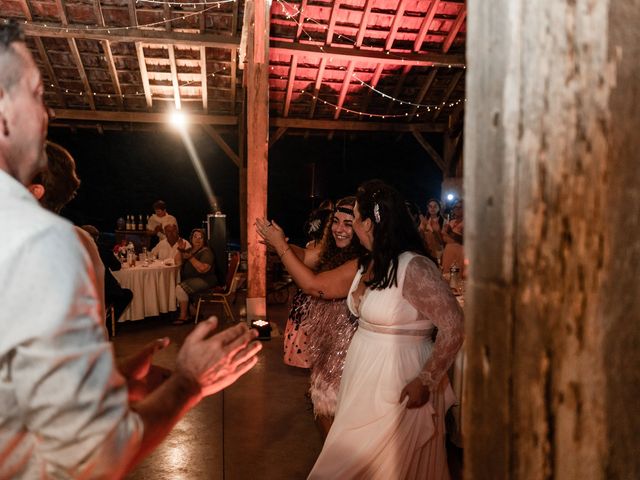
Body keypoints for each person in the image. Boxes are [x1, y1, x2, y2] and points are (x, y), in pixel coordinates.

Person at [0, 21, 261, 478]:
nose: (48, 116)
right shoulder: (45, 244)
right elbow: (96, 454)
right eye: (37, 96)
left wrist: (108, 376)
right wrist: (187, 383)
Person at [286, 180, 464, 479]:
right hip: (363, 377)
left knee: (383, 466)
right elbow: (317, 285)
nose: (350, 224)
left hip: (399, 380)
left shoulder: (414, 266)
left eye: (354, 217)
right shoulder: (371, 262)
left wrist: (426, 380)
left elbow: (454, 326)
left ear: (368, 223)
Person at [257, 197, 365, 436]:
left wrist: (280, 247)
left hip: (349, 350)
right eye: (335, 221)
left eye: (348, 224)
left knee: (334, 411)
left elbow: (313, 286)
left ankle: (338, 466)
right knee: (324, 409)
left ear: (362, 227)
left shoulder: (362, 262)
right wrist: (279, 242)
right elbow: (305, 256)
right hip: (328, 346)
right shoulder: (331, 252)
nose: (339, 229)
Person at [281, 202, 335, 369]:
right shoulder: (316, 248)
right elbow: (304, 259)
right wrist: (280, 245)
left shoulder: (328, 249)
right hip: (310, 295)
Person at [81, 224, 134, 327]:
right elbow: (116, 266)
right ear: (96, 237)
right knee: (126, 294)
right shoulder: (101, 249)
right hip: (103, 291)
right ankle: (109, 325)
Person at [174, 228, 218, 324]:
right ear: (191, 238)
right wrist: (180, 250)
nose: (197, 240)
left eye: (201, 238)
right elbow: (177, 262)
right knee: (174, 284)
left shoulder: (207, 251)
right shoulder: (190, 249)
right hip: (193, 279)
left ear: (204, 240)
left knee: (180, 288)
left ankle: (183, 316)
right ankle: (193, 311)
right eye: (195, 237)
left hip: (206, 280)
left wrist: (190, 257)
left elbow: (202, 269)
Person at [441, 199, 464, 274]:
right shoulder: (451, 222)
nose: (457, 209)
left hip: (459, 254)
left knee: (456, 279)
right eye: (455, 207)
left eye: (460, 207)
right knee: (446, 277)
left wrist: (451, 233)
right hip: (448, 253)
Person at [419, 198, 445, 263]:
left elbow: (442, 241)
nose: (432, 208)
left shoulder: (444, 222)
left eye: (435, 206)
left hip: (438, 253)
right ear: (427, 208)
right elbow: (421, 237)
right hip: (427, 252)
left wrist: (434, 231)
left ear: (439, 208)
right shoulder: (425, 221)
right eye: (430, 206)